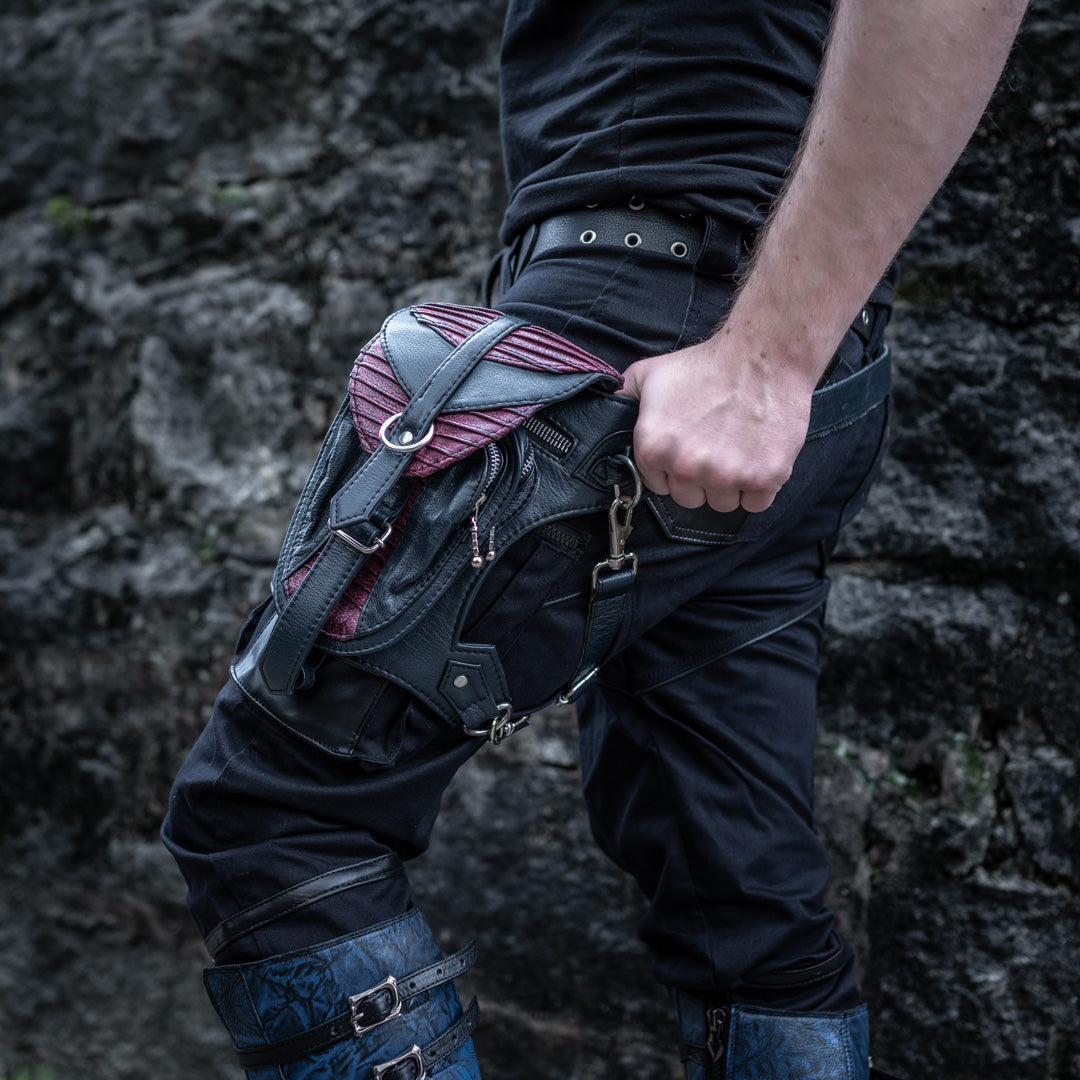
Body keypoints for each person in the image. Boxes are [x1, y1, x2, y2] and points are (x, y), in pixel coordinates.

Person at [162, 1, 1029, 1078]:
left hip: (654, 330)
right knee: (743, 914)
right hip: (735, 356)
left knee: (268, 816)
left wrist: (767, 355)